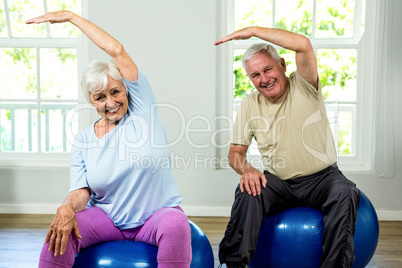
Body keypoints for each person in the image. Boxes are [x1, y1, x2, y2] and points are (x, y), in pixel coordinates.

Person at [26, 11, 192, 268]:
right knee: (60, 228)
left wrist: (71, 17)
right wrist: (67, 207)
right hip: (107, 219)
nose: (110, 102)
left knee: (176, 222)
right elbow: (81, 192)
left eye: (115, 92)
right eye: (100, 97)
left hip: (155, 217)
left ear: (127, 89)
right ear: (90, 101)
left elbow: (117, 50)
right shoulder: (83, 140)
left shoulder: (142, 111)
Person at [214, 27, 360, 268]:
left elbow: (303, 43)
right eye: (255, 75)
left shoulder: (303, 85)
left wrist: (253, 31)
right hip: (279, 183)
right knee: (248, 190)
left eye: (267, 69)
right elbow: (235, 153)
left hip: (322, 179)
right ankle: (231, 264)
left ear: (282, 64)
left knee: (345, 191)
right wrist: (247, 170)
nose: (263, 79)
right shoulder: (250, 103)